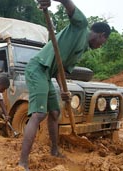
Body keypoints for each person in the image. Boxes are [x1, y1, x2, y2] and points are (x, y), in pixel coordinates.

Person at [18, 0, 111, 170]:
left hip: (48, 75)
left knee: (54, 112)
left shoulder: (82, 49)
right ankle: (23, 161)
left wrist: (63, 90)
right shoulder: (81, 26)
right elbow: (67, 2)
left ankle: (54, 150)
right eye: (102, 43)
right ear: (101, 35)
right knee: (39, 114)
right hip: (37, 68)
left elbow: (61, 71)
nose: (100, 46)